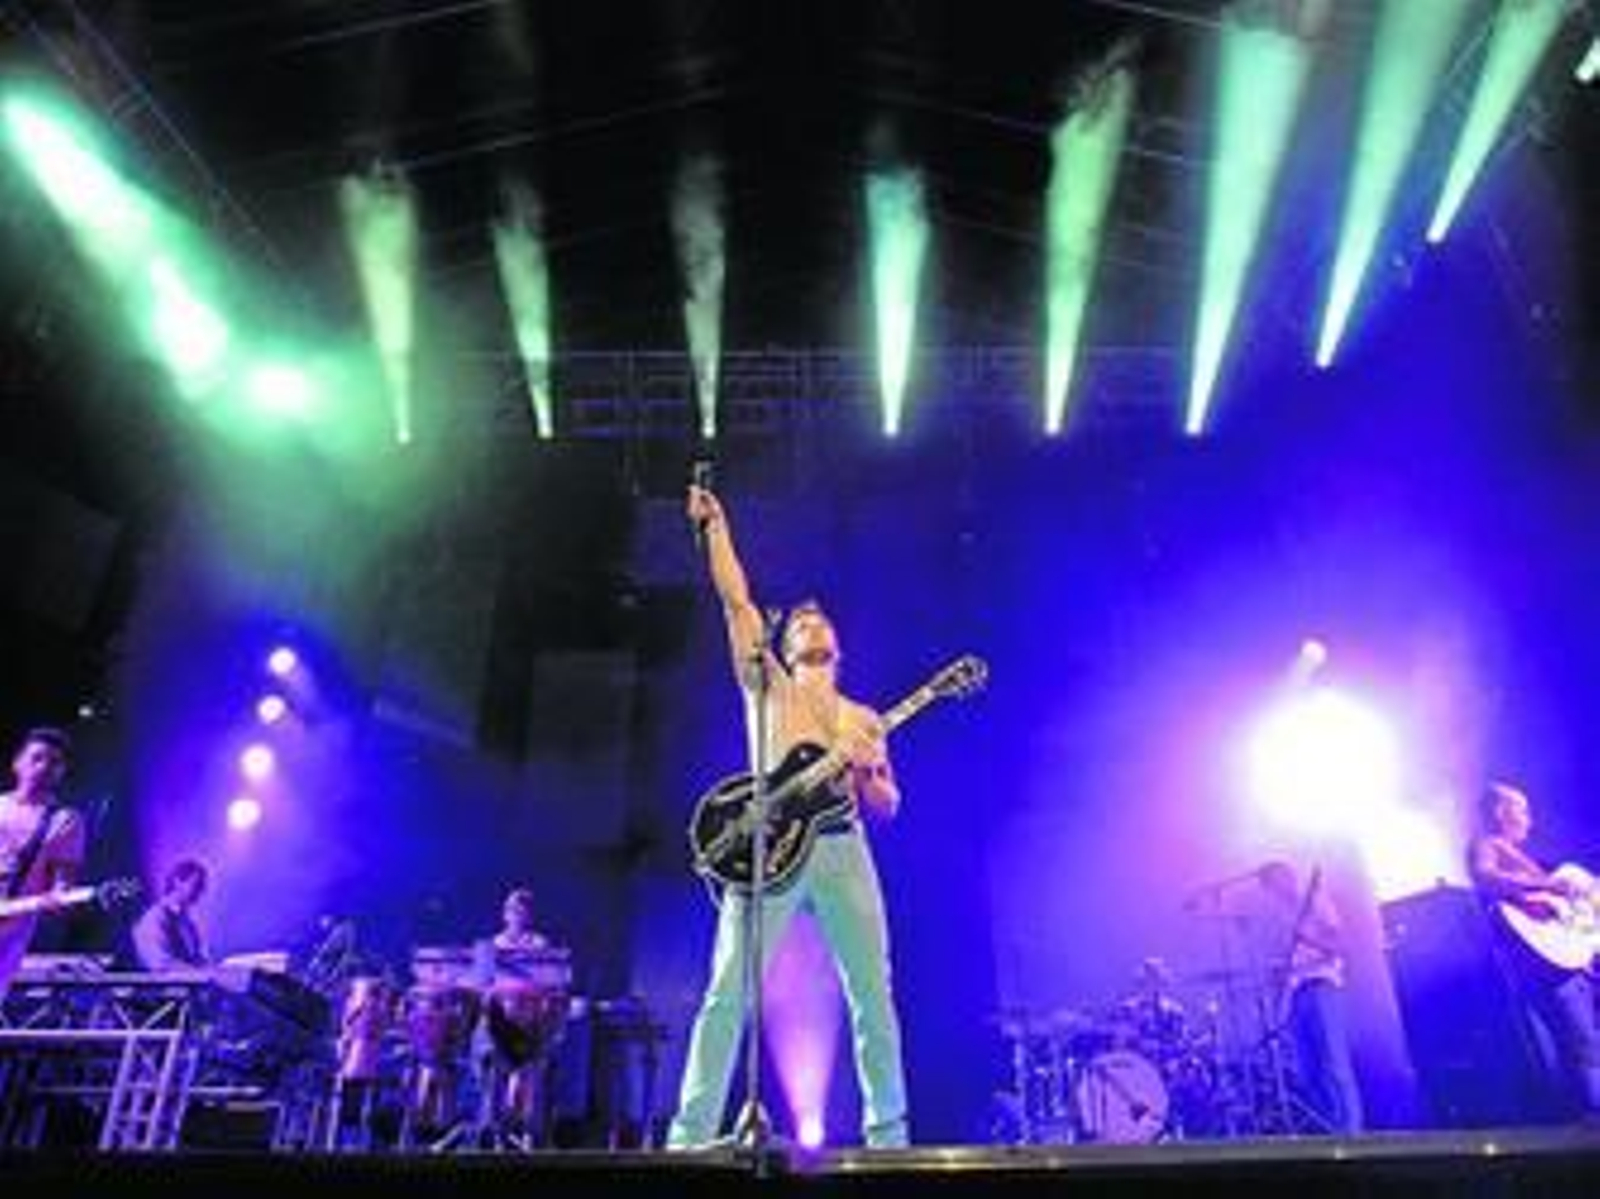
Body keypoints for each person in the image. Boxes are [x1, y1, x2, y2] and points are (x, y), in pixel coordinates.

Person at [667, 483, 909, 1149]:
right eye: (799, 623)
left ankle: (889, 1136)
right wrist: (716, 526)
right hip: (769, 849)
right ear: (786, 639)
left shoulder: (863, 717)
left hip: (841, 847)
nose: (810, 625)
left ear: (837, 645)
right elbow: (735, 598)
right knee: (726, 992)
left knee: (873, 995)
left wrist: (864, 769)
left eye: (819, 624)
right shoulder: (765, 682)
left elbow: (888, 804)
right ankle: (688, 1137)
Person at [1469, 781, 1600, 1116]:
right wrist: (1548, 883)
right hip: (1548, 965)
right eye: (1522, 809)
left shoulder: (1528, 858)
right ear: (1500, 811)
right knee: (1582, 1047)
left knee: (1586, 1045)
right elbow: (1485, 876)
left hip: (1572, 959)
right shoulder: (1486, 844)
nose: (1530, 819)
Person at [1257, 859, 1364, 1134]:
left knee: (1335, 1065)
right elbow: (1285, 963)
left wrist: (1307, 938)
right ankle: (1330, 1132)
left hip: (1322, 986)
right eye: (1268, 887)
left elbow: (1339, 946)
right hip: (1296, 994)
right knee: (1309, 1072)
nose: (1272, 891)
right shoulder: (1279, 919)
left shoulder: (1317, 902)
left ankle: (1353, 1134)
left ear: (1289, 877)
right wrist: (1278, 973)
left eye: (1274, 882)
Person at [0, 727, 86, 996]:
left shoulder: (65, 820)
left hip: (11, 930)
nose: (45, 766)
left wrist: (60, 899)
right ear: (17, 763)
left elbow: (63, 881)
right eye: (37, 758)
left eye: (54, 762)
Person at [131, 858, 210, 972]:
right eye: (197, 884)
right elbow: (159, 962)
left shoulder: (188, 923)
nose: (201, 891)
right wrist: (196, 973)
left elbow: (199, 959)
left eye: (202, 886)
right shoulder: (154, 918)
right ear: (177, 881)